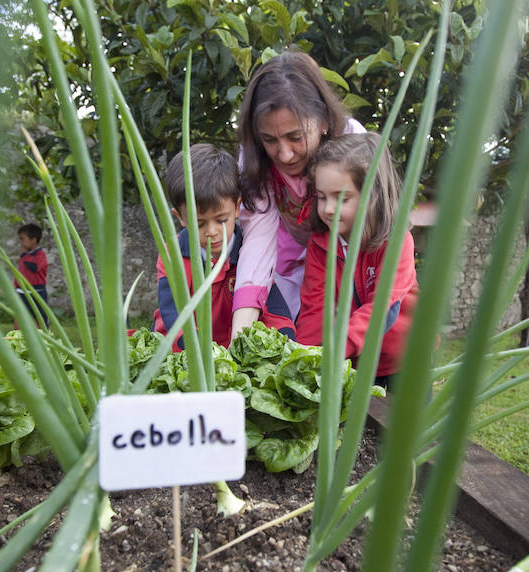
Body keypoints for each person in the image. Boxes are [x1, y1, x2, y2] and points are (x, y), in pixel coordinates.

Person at [230, 50, 366, 342]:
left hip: (346, 264)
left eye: (295, 137)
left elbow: (373, 233)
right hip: (286, 265)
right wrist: (238, 334)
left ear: (324, 122)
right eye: (269, 140)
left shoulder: (354, 145)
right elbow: (257, 242)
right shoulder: (254, 161)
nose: (285, 154)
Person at [295, 132, 418, 384]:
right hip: (354, 364)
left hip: (403, 361)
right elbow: (314, 309)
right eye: (321, 196)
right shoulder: (320, 245)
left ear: (372, 195)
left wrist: (336, 349)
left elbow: (384, 307)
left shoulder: (397, 241)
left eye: (342, 198)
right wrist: (305, 357)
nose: (328, 208)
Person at [153, 143, 294, 350]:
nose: (212, 232)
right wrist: (199, 355)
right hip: (186, 353)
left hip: (236, 353)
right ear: (180, 218)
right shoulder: (172, 256)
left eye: (221, 220)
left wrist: (285, 339)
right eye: (199, 223)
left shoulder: (251, 253)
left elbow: (274, 309)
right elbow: (173, 315)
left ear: (237, 208)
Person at [15, 223, 49, 326]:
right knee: (20, 318)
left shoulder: (40, 255)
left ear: (33, 239)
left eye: (22, 239)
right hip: (22, 292)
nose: (20, 242)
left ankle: (42, 339)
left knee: (39, 318)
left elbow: (34, 267)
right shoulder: (24, 256)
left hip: (36, 292)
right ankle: (19, 338)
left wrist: (23, 255)